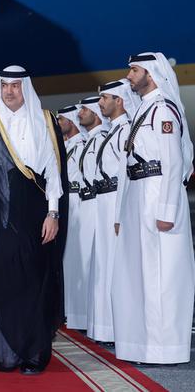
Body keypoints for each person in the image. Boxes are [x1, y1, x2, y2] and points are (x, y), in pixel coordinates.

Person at [0, 66, 67, 374]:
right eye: (5, 85)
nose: (9, 91)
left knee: (33, 282)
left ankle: (33, 353)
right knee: (0, 281)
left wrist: (53, 213)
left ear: (26, 88)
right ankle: (4, 351)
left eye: (15, 86)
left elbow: (54, 174)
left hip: (35, 215)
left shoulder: (45, 120)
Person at [112, 52, 195, 364]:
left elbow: (173, 164)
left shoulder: (163, 111)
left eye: (134, 70)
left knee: (161, 276)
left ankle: (164, 350)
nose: (130, 75)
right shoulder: (144, 110)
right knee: (142, 274)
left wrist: (167, 210)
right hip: (139, 194)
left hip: (157, 196)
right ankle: (145, 345)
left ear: (151, 73)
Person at [85, 80, 135, 345]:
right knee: (103, 265)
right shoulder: (113, 131)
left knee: (115, 266)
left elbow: (125, 174)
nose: (100, 103)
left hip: (115, 200)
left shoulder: (126, 130)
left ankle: (118, 329)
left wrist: (118, 215)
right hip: (102, 200)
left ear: (120, 100)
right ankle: (105, 328)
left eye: (105, 98)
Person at [75, 96, 108, 331]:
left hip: (98, 205)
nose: (79, 113)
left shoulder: (102, 139)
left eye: (84, 109)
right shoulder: (91, 141)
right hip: (85, 205)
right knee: (85, 263)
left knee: (99, 264)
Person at [56, 105, 87, 331]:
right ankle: (66, 309)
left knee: (76, 259)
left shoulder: (82, 145)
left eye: (61, 119)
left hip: (78, 202)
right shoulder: (64, 147)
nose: (57, 124)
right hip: (66, 204)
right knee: (66, 259)